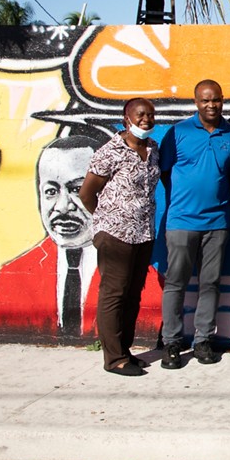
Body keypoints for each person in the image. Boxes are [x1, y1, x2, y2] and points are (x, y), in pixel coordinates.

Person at [0, 133, 163, 338]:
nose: (63, 207)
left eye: (76, 189)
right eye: (50, 191)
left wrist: (103, 219)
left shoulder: (149, 280)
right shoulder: (11, 277)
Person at [158, 80, 230, 370]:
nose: (211, 105)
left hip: (217, 222)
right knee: (176, 283)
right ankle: (171, 342)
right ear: (196, 102)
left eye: (216, 100)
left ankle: (203, 341)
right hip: (181, 221)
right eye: (205, 100)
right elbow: (165, 174)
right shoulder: (178, 133)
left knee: (210, 283)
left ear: (223, 100)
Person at [78, 98, 161, 376]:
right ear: (127, 118)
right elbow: (87, 194)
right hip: (115, 234)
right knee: (114, 293)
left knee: (133, 293)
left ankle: (125, 351)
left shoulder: (152, 149)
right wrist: (105, 220)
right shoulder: (111, 151)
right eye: (140, 115)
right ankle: (114, 359)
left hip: (143, 232)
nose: (146, 120)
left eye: (150, 115)